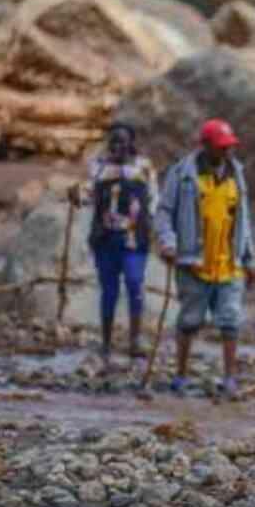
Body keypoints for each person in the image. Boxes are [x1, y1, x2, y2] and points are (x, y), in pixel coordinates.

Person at [155, 118, 255, 396]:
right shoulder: (183, 174)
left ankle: (230, 379)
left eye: (229, 147)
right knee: (189, 321)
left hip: (229, 263)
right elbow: (164, 212)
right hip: (194, 263)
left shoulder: (236, 174)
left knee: (230, 322)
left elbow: (243, 221)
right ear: (205, 146)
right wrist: (168, 243)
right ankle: (181, 375)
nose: (227, 152)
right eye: (221, 147)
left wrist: (250, 260)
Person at [70, 122, 158, 364]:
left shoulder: (144, 167)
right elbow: (87, 196)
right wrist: (77, 195)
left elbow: (153, 200)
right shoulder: (98, 167)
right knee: (109, 291)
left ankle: (135, 341)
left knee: (134, 284)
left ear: (132, 143)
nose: (117, 145)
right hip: (105, 239)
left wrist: (155, 228)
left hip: (133, 239)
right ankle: (106, 343)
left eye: (122, 141)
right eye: (113, 141)